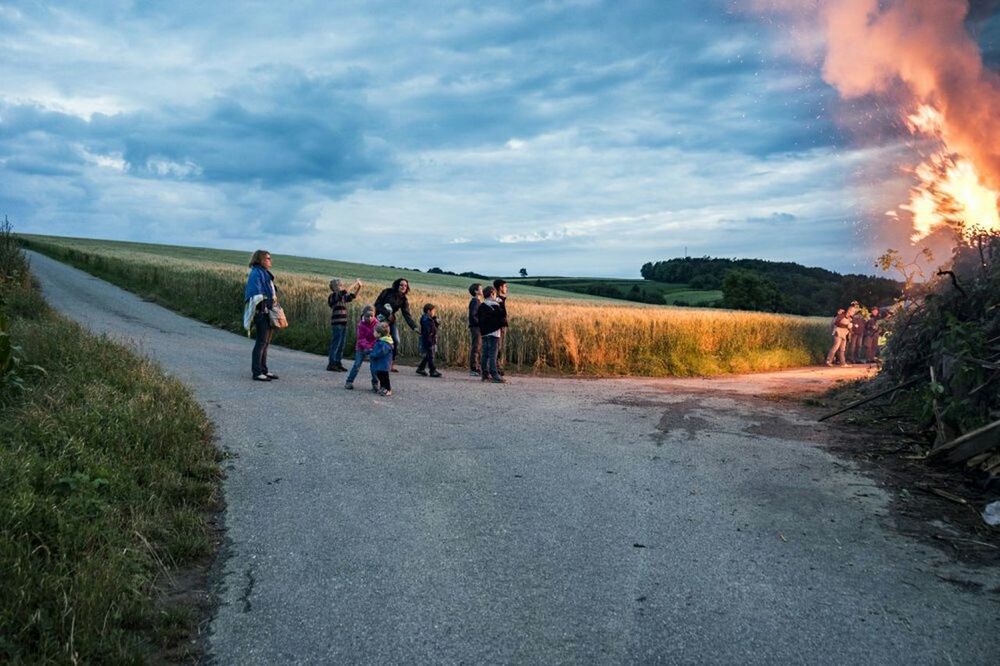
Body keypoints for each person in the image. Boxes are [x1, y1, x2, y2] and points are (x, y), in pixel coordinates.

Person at [243, 249, 279, 382]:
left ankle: (264, 369)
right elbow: (256, 295)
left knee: (266, 343)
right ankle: (257, 372)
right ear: (260, 260)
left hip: (267, 311)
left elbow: (267, 290)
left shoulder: (264, 273)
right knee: (261, 342)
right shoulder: (256, 273)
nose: (270, 261)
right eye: (268, 258)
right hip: (261, 312)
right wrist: (266, 301)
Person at [374, 278, 417, 372]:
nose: (403, 287)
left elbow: (407, 315)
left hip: (390, 321)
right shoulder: (387, 292)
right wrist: (387, 314)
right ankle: (376, 359)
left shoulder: (404, 299)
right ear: (397, 285)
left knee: (396, 340)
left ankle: (391, 364)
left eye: (405, 286)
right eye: (401, 285)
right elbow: (377, 304)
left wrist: (414, 327)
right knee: (378, 339)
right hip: (379, 318)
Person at [327, 277, 362, 371]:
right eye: (338, 285)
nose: (340, 286)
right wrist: (355, 282)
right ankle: (331, 363)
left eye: (341, 285)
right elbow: (346, 291)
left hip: (343, 323)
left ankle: (338, 362)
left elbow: (352, 296)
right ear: (333, 288)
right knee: (336, 343)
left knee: (341, 344)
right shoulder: (333, 296)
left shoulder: (342, 297)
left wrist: (359, 288)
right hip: (337, 323)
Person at [345, 305, 379, 391]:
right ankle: (349, 381)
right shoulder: (361, 325)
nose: (370, 318)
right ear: (363, 315)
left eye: (372, 316)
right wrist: (366, 347)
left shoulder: (377, 324)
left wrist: (371, 347)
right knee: (357, 365)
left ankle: (375, 383)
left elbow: (377, 337)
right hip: (361, 348)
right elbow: (361, 339)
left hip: (372, 347)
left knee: (374, 367)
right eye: (368, 316)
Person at [478, 285, 507, 383]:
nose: (495, 297)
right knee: (493, 355)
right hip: (494, 333)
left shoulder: (482, 306)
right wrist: (501, 303)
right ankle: (495, 375)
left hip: (484, 334)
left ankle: (485, 375)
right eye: (494, 294)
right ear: (492, 294)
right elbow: (503, 315)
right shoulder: (495, 305)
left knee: (485, 354)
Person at [417, 303, 443, 377]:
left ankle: (421, 368)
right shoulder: (426, 320)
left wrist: (435, 322)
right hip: (429, 340)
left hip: (431, 339)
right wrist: (429, 340)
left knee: (428, 355)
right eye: (433, 311)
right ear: (429, 311)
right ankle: (432, 370)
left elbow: (434, 328)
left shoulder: (429, 319)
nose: (434, 313)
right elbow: (428, 331)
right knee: (431, 356)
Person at [369, 322, 395, 396]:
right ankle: (383, 387)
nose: (373, 333)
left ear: (379, 334)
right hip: (381, 363)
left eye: (375, 332)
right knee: (380, 376)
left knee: (385, 377)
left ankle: (388, 389)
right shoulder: (380, 341)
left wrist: (372, 354)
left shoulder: (384, 343)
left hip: (384, 364)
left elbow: (381, 352)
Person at [493, 279, 509, 375]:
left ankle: (496, 366)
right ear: (500, 287)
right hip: (498, 326)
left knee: (498, 347)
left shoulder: (500, 298)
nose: (506, 288)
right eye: (505, 286)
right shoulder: (498, 299)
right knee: (497, 347)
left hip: (500, 326)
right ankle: (495, 367)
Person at [467, 283, 483, 376]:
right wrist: (480, 323)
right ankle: (474, 369)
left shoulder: (478, 301)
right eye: (480, 289)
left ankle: (477, 367)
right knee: (476, 347)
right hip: (476, 327)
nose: (482, 290)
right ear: (476, 291)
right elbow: (473, 316)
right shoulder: (475, 301)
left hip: (477, 327)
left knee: (478, 347)